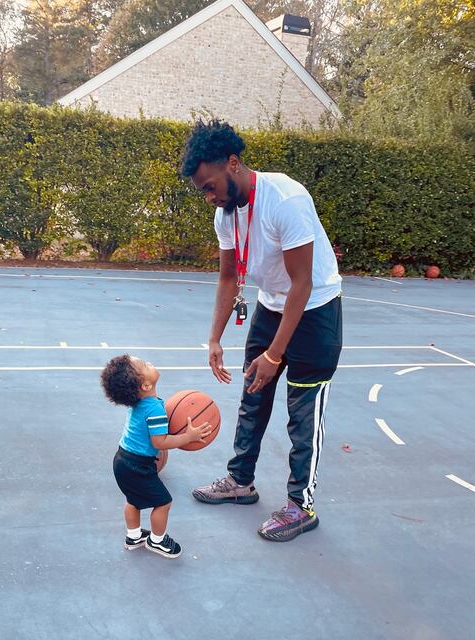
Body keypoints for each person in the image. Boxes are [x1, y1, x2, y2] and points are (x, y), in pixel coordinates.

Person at [180, 119, 342, 542]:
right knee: (253, 396)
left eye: (210, 186)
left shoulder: (286, 199)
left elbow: (302, 285)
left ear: (233, 164)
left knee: (302, 413)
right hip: (271, 308)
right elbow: (228, 278)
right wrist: (215, 337)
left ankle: (300, 506)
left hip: (315, 311)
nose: (209, 197)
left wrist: (274, 355)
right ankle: (240, 482)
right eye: (202, 191)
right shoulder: (226, 215)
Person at [100, 354, 211, 558]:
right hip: (137, 465)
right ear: (145, 385)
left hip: (122, 460)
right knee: (163, 502)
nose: (149, 362)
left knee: (133, 499)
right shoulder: (154, 408)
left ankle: (133, 536)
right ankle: (157, 541)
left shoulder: (138, 403)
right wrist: (189, 436)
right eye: (145, 365)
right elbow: (160, 443)